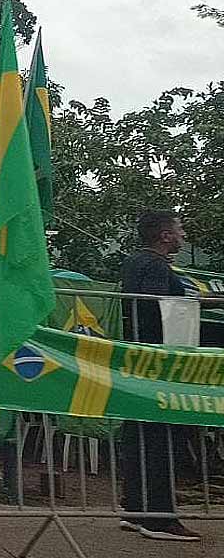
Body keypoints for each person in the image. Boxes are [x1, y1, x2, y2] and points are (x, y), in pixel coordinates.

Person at [119, 210, 200, 542]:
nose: (183, 234)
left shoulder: (136, 262)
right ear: (165, 235)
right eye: (179, 229)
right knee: (160, 440)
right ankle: (159, 517)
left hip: (138, 363)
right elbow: (157, 307)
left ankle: (135, 509)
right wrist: (195, 304)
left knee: (139, 436)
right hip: (157, 364)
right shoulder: (154, 266)